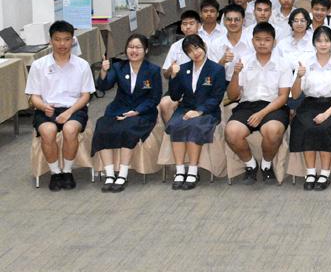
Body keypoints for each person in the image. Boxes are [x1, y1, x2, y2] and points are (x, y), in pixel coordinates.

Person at [26, 21, 95, 191]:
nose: (62, 44)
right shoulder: (38, 65)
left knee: (70, 130)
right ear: (50, 41)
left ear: (73, 40)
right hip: (47, 108)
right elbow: (33, 96)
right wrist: (43, 106)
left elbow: (85, 96)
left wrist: (69, 112)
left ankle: (67, 171)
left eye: (66, 39)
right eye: (57, 39)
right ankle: (55, 172)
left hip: (75, 108)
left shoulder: (82, 65)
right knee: (48, 131)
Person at [225, 22, 294, 185]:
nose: (262, 43)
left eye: (267, 40)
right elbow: (233, 95)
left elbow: (283, 97)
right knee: (232, 132)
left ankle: (266, 165)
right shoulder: (244, 61)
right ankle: (250, 165)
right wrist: (235, 74)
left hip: (274, 106)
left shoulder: (283, 64)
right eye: (258, 39)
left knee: (273, 130)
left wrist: (262, 114)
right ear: (252, 41)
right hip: (247, 105)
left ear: (274, 42)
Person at [92, 34, 162, 192]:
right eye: (131, 47)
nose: (134, 50)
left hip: (143, 112)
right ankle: (110, 174)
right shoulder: (119, 67)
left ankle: (122, 174)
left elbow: (155, 98)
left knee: (128, 128)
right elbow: (104, 86)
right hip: (119, 109)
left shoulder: (153, 70)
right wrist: (103, 71)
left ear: (146, 50)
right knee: (102, 126)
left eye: (138, 47)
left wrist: (137, 111)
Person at [289, 26, 331, 191]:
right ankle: (310, 172)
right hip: (309, 104)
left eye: (327, 41)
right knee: (305, 126)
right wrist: (299, 77)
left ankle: (325, 173)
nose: (323, 44)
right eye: (319, 41)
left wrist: (326, 114)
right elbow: (295, 95)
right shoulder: (305, 63)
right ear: (314, 43)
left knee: (325, 127)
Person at [165, 35, 227, 190]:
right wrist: (174, 77)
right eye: (190, 51)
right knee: (176, 124)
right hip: (185, 108)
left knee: (194, 125)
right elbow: (175, 96)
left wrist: (199, 111)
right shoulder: (183, 68)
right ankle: (180, 171)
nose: (195, 53)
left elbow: (216, 97)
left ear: (204, 46)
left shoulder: (217, 69)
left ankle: (193, 171)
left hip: (208, 111)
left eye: (197, 48)